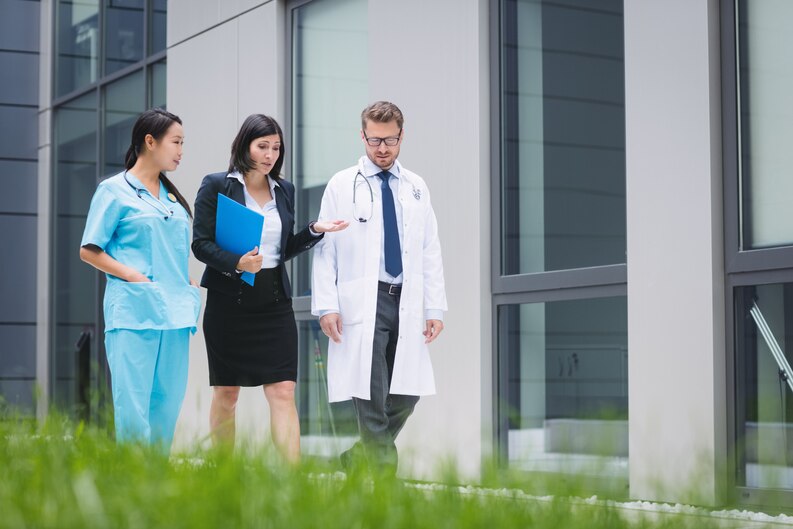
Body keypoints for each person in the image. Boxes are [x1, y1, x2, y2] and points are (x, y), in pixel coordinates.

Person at [192, 114, 348, 462]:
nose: (270, 154)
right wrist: (237, 262)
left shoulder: (285, 189)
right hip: (228, 304)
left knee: (282, 391)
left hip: (274, 303)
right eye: (262, 146)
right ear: (245, 144)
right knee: (227, 394)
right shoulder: (217, 185)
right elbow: (200, 244)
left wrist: (314, 230)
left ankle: (291, 483)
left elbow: (283, 248)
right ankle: (224, 474)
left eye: (276, 147)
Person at [312, 101, 447, 476]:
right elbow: (326, 250)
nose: (382, 148)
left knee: (406, 393)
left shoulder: (417, 187)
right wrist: (327, 305)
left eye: (389, 140)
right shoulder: (342, 184)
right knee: (370, 394)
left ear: (402, 136)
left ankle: (357, 457)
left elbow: (429, 250)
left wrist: (434, 308)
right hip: (363, 300)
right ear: (362, 136)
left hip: (405, 299)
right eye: (374, 140)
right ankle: (386, 482)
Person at [79, 108, 201, 451]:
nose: (181, 151)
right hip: (134, 312)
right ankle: (132, 486)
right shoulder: (114, 191)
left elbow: (167, 251)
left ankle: (156, 487)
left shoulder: (174, 199)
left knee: (167, 404)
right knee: (133, 407)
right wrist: (132, 275)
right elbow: (89, 250)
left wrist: (187, 281)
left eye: (182, 143)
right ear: (150, 141)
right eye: (175, 142)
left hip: (175, 314)